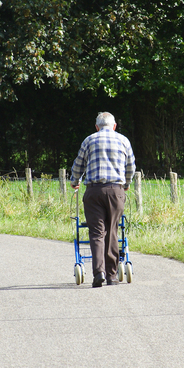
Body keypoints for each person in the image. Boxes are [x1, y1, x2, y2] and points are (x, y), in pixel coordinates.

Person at [70, 112, 136, 287]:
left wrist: (75, 181)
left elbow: (78, 165)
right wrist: (126, 183)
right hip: (116, 191)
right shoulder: (124, 140)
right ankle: (112, 276)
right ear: (114, 126)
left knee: (97, 232)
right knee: (112, 231)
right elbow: (131, 166)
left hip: (94, 192)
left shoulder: (89, 140)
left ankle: (99, 273)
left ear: (97, 127)